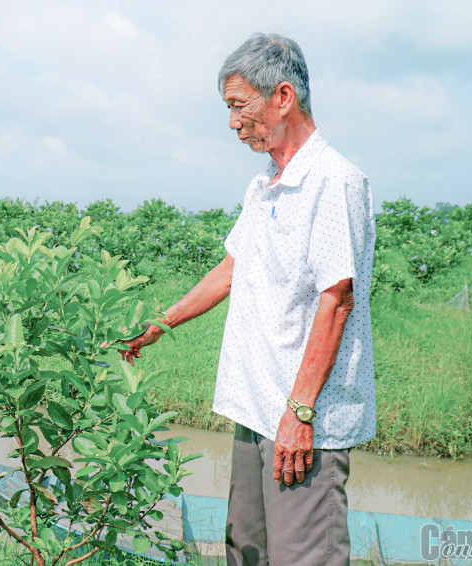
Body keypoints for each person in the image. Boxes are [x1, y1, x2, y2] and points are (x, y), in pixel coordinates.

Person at [123, 33, 375, 565]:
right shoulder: (264, 185)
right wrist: (157, 325)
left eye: (239, 107)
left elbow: (337, 300)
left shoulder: (334, 181)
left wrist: (300, 413)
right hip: (255, 409)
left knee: (303, 556)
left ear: (283, 97)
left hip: (304, 417)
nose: (233, 123)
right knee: (247, 549)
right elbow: (233, 267)